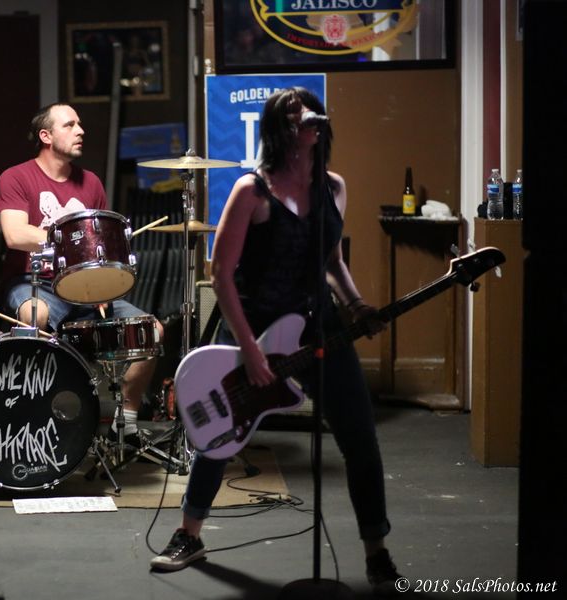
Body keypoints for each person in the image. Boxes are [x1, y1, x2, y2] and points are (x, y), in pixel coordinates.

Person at [149, 87, 403, 594]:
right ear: (277, 128)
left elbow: (331, 262)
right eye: (292, 114)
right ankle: (189, 533)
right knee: (220, 431)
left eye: (309, 113)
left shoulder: (333, 187)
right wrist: (249, 349)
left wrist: (355, 305)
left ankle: (377, 554)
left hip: (317, 324)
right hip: (252, 324)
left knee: (360, 438)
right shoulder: (253, 191)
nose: (305, 119)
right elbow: (221, 274)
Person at [0, 102, 163, 446]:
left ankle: (126, 423)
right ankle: (33, 417)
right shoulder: (16, 177)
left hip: (85, 288)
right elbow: (14, 235)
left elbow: (100, 250)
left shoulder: (91, 183)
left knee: (152, 332)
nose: (80, 131)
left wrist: (103, 285)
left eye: (80, 124)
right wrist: (71, 241)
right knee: (35, 316)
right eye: (69, 125)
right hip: (34, 283)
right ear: (46, 136)